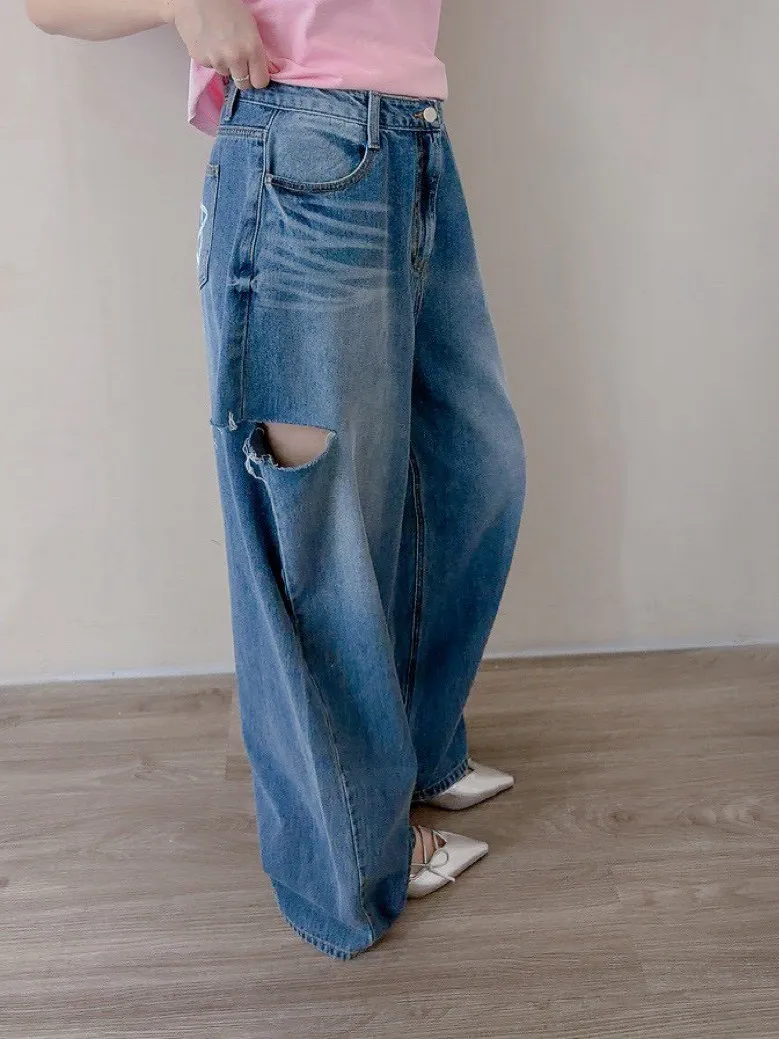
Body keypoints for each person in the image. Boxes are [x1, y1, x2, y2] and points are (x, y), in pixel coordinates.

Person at [27, 0, 526, 961]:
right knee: (317, 525)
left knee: (471, 466)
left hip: (414, 141)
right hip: (303, 151)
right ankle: (352, 850)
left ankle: (412, 752)